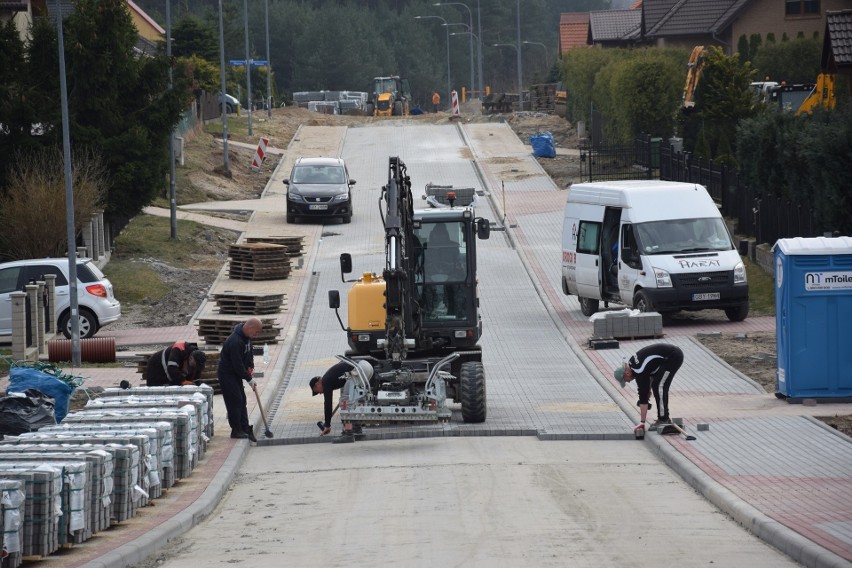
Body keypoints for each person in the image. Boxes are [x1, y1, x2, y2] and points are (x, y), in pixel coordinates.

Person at [614, 343, 684, 437]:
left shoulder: (638, 371)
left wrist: (642, 423)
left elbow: (643, 399)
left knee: (659, 387)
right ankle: (662, 417)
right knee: (655, 385)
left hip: (673, 357)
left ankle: (663, 419)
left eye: (625, 380)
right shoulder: (632, 363)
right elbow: (650, 371)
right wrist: (648, 389)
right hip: (667, 356)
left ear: (627, 373)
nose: (628, 382)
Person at [218, 317, 263, 442]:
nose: (256, 335)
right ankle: (236, 430)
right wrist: (249, 379)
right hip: (227, 374)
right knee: (235, 401)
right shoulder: (235, 341)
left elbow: (249, 354)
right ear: (250, 328)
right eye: (256, 332)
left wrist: (250, 366)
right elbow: (237, 364)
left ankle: (244, 427)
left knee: (242, 400)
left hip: (236, 374)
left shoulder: (247, 338)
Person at [310, 360, 373, 443]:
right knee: (354, 399)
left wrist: (327, 425)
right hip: (366, 367)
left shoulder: (326, 381)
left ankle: (348, 434)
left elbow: (328, 404)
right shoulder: (330, 376)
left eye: (318, 391)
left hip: (358, 370)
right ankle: (356, 429)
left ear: (317, 384)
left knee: (345, 402)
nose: (320, 393)